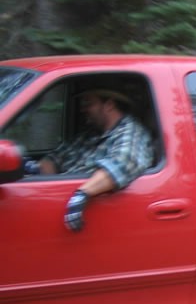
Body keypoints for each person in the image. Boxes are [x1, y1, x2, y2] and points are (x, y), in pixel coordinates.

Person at [38, 87, 154, 232]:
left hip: (90, 213)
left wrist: (82, 194)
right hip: (55, 204)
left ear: (109, 105)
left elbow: (125, 160)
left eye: (88, 103)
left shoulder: (131, 132)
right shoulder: (89, 133)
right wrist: (36, 171)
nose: (83, 109)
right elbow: (56, 158)